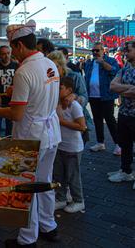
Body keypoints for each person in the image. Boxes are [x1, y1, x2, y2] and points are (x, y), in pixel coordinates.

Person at [0, 20, 62, 248]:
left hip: (32, 137)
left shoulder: (24, 71)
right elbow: (38, 95)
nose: (12, 52)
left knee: (27, 186)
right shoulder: (49, 64)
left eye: (12, 47)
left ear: (20, 45)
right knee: (45, 181)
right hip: (51, 133)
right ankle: (49, 226)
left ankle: (27, 238)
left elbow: (16, 114)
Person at [108, 40, 135, 190]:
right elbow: (112, 86)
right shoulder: (125, 68)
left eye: (128, 50)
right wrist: (132, 89)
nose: (124, 53)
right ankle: (126, 171)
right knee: (125, 144)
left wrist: (123, 89)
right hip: (124, 113)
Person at [54, 77, 87, 213]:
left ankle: (79, 201)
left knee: (73, 176)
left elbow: (82, 126)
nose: (57, 90)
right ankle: (61, 199)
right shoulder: (57, 103)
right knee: (59, 175)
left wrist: (61, 122)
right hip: (60, 146)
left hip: (73, 147)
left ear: (69, 90)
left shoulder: (75, 106)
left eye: (60, 87)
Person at [47, 51, 92, 144]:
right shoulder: (48, 78)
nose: (53, 70)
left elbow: (85, 97)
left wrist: (74, 96)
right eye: (50, 67)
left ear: (62, 66)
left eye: (56, 66)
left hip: (74, 121)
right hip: (55, 123)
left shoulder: (75, 76)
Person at [84, 42, 121, 155]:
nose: (95, 52)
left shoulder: (110, 60)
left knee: (110, 119)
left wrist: (102, 63)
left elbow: (115, 71)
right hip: (93, 96)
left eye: (97, 50)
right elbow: (86, 77)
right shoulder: (89, 62)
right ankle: (100, 142)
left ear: (103, 51)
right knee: (97, 119)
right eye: (93, 51)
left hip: (106, 95)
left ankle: (119, 144)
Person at [0, 45, 19, 137]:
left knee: (10, 129)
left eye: (8, 53)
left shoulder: (16, 66)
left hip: (12, 102)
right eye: (3, 54)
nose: (6, 56)